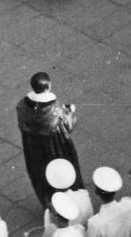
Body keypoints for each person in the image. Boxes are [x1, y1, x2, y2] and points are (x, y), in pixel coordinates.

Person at [16, 69, 81, 203]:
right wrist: (69, 112)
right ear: (48, 86)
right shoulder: (56, 109)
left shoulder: (22, 105)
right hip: (56, 146)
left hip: (33, 146)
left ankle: (48, 201)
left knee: (40, 173)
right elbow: (67, 126)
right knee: (63, 171)